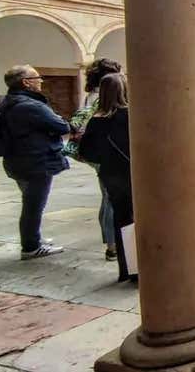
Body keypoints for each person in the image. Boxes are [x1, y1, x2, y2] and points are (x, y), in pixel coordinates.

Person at [0, 65, 68, 260]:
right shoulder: (31, 106)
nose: (40, 81)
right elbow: (61, 126)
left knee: (30, 203)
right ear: (26, 82)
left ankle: (34, 240)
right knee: (33, 206)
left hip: (16, 161)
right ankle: (31, 247)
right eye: (37, 77)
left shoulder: (6, 103)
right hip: (37, 161)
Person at [79, 74, 136, 282]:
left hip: (110, 174)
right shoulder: (130, 115)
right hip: (132, 172)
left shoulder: (96, 119)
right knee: (137, 220)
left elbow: (86, 151)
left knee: (121, 220)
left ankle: (126, 269)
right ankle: (139, 267)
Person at [72, 58, 121, 262]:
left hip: (98, 153)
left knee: (107, 196)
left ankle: (110, 240)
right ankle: (112, 246)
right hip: (108, 153)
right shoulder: (103, 98)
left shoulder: (90, 96)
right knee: (112, 199)